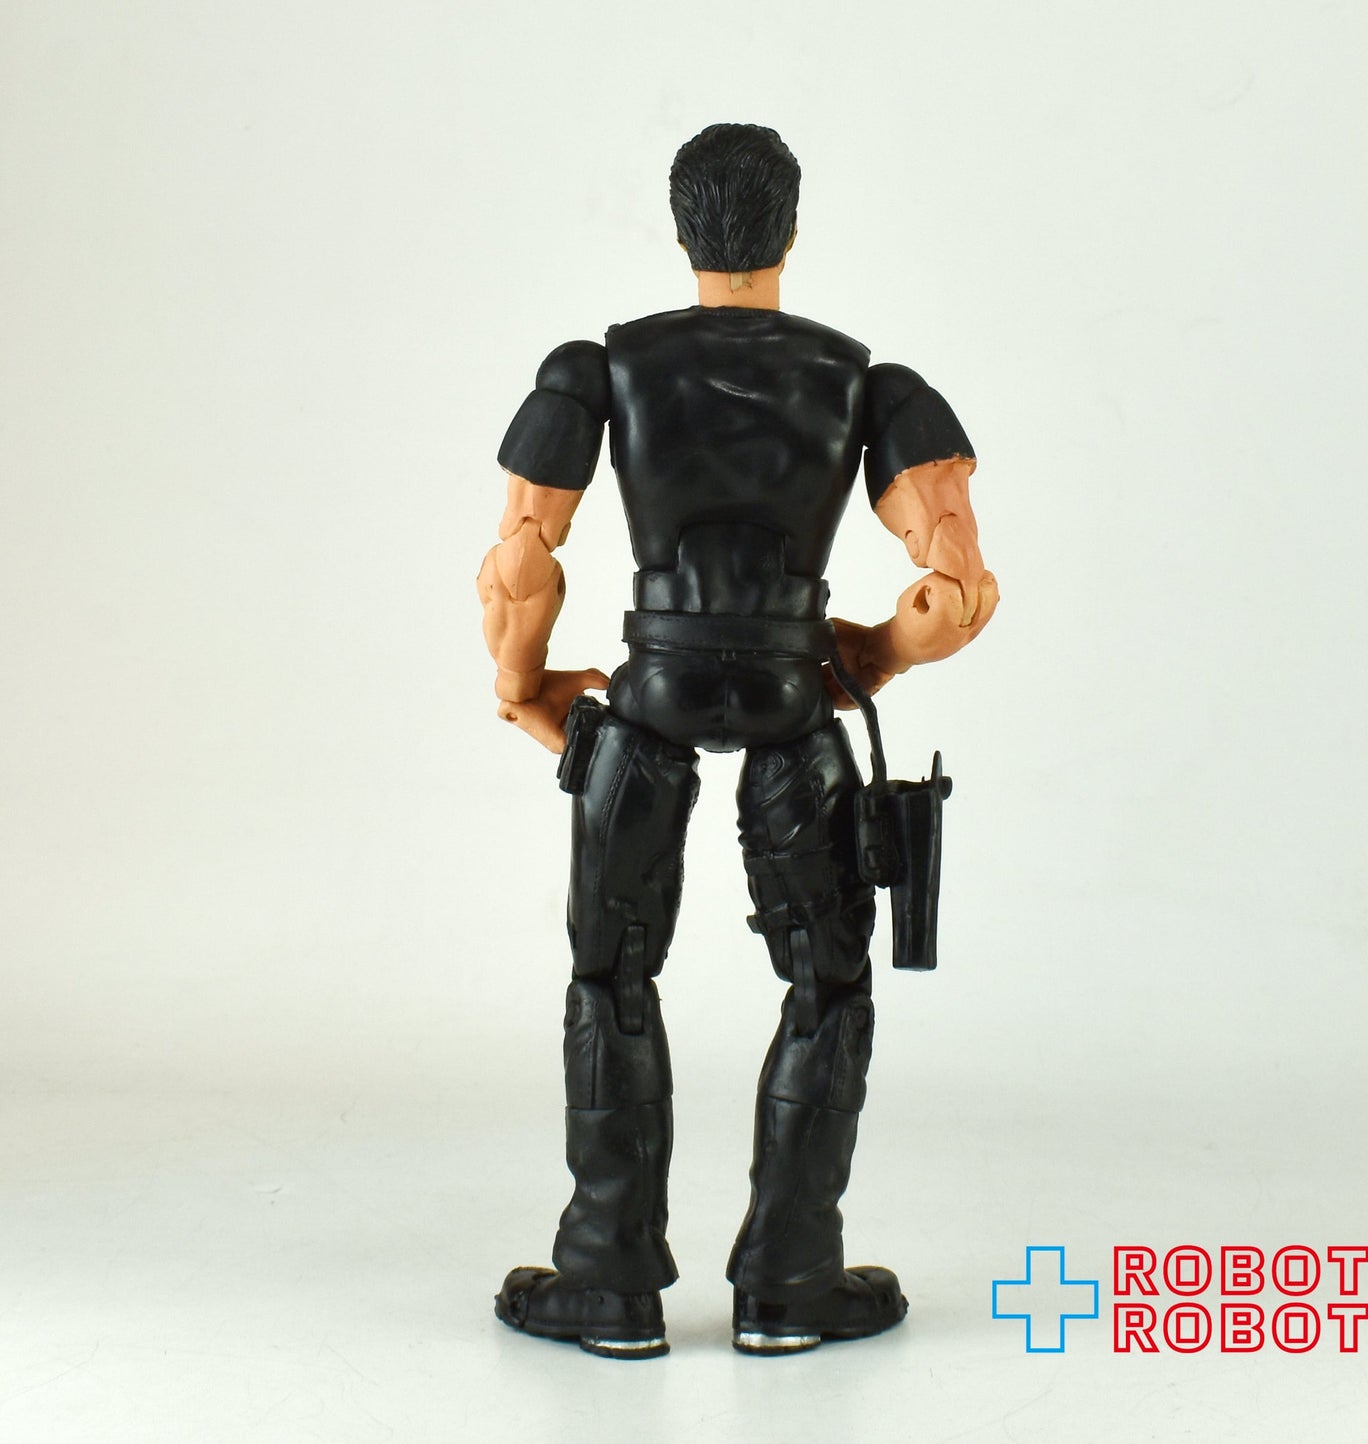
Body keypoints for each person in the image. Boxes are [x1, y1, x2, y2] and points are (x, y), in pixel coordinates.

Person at [477, 123, 998, 1359]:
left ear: (678, 231)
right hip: (788, 694)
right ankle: (790, 1279)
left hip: (650, 690)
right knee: (827, 987)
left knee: (608, 978)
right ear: (792, 231)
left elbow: (520, 557)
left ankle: (606, 1277)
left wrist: (520, 685)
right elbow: (955, 593)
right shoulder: (864, 383)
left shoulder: (600, 370)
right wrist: (870, 653)